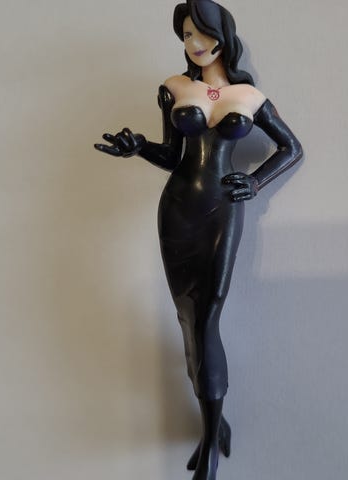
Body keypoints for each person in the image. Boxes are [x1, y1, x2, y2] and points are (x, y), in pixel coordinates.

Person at [95, 1, 302, 478]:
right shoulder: (174, 88)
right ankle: (215, 420)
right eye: (186, 35)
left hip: (222, 209)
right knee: (188, 317)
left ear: (222, 35)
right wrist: (139, 147)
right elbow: (172, 155)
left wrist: (255, 182)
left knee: (207, 316)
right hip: (178, 208)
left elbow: (291, 147)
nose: (194, 43)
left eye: (201, 33)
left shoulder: (249, 96)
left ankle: (210, 438)